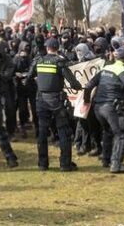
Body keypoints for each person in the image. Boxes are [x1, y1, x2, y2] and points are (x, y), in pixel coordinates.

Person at [26, 38, 83, 172]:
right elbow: (72, 82)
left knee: (42, 132)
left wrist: (37, 82)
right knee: (63, 131)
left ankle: (42, 164)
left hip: (41, 100)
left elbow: (28, 78)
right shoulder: (59, 62)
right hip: (56, 100)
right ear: (58, 48)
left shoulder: (38, 61)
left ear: (47, 48)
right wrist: (80, 87)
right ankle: (65, 164)